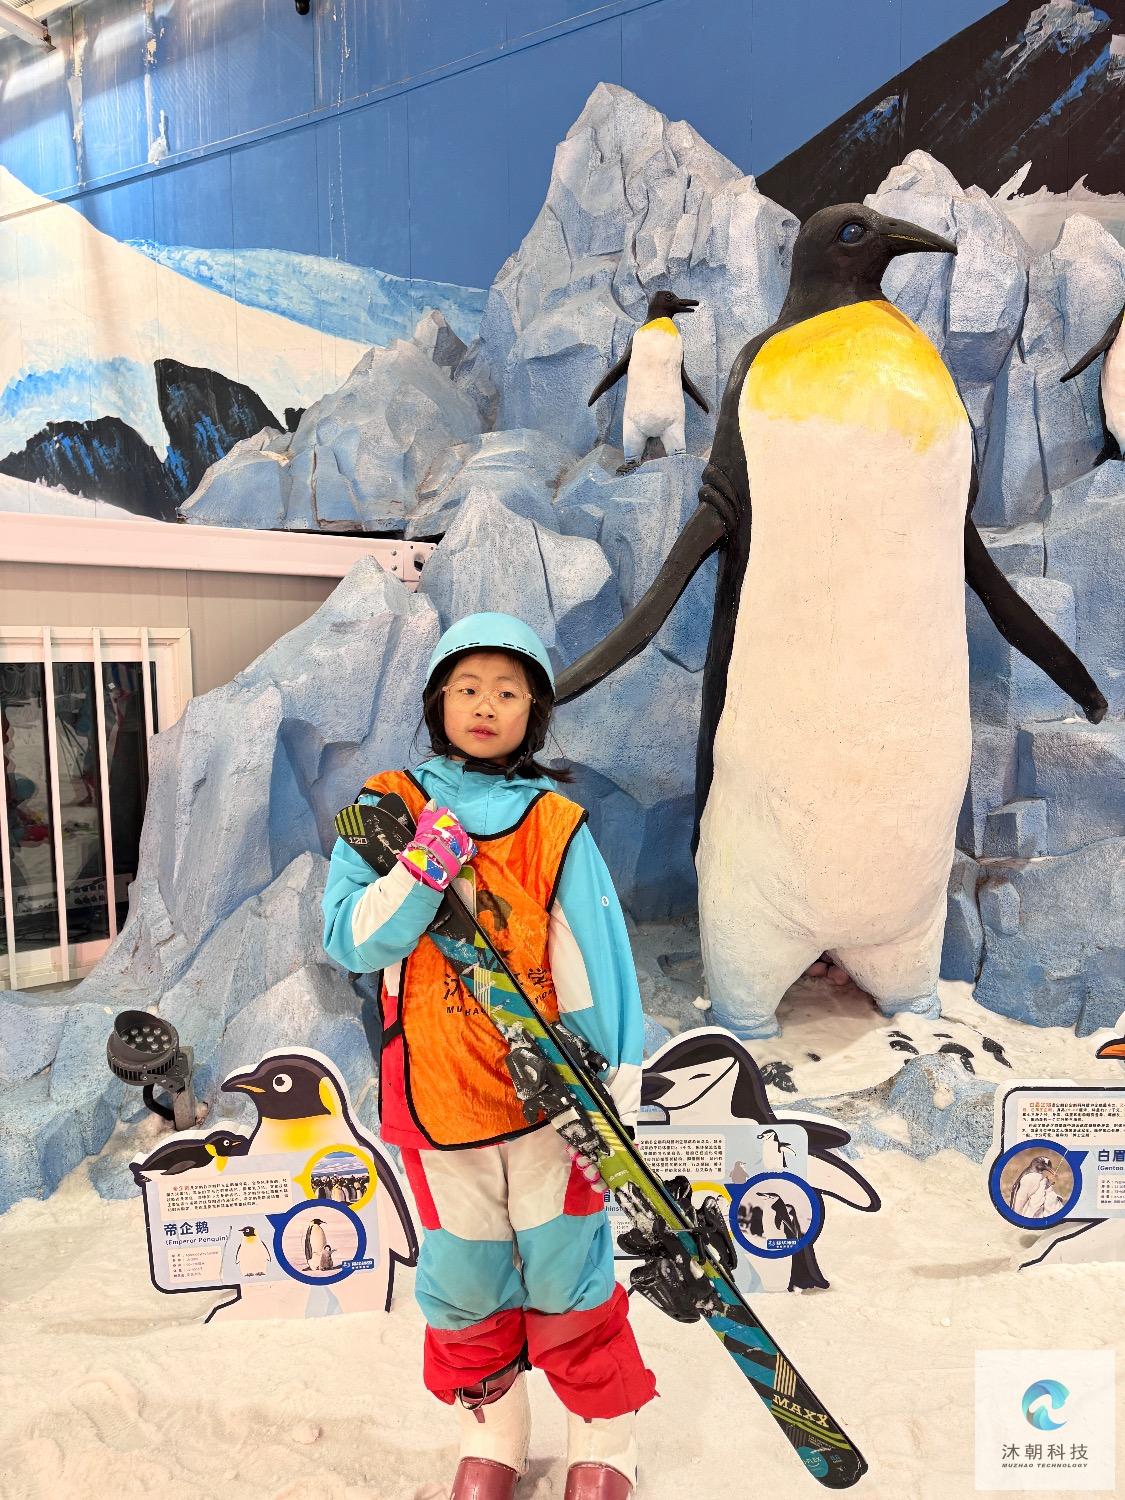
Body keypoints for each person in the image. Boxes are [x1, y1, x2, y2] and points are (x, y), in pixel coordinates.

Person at [322, 612, 655, 1500]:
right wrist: (416, 871)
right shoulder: (386, 805)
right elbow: (349, 938)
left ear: (532, 714)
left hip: (548, 1104)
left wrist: (615, 1081)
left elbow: (593, 959)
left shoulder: (553, 821)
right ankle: (495, 1438)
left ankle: (604, 1440)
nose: (484, 706)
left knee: (568, 1274)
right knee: (463, 1279)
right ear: (437, 700)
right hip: (435, 1096)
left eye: (508, 693)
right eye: (467, 688)